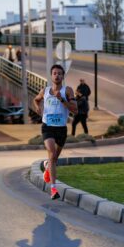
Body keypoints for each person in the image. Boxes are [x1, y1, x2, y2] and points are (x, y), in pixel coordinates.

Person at [33, 64, 77, 200]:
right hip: (48, 127)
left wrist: (62, 99)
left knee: (54, 159)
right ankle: (53, 189)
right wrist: (37, 107)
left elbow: (75, 110)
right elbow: (36, 99)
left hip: (61, 129)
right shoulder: (44, 91)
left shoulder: (67, 90)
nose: (57, 75)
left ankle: (47, 166)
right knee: (51, 154)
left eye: (59, 73)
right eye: (54, 73)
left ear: (63, 76)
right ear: (51, 76)